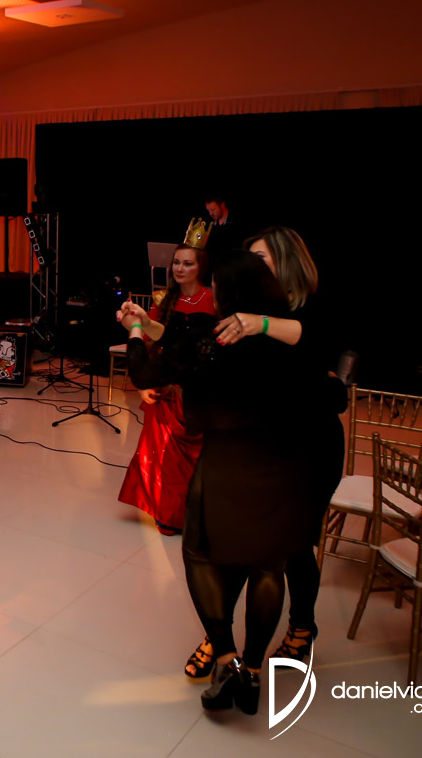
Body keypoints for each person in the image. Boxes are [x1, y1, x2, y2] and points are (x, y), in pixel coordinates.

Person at [122, 250, 338, 715]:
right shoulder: (293, 340)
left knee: (199, 555)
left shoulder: (210, 340)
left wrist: (135, 330)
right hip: (282, 467)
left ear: (228, 291)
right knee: (268, 567)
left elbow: (145, 371)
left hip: (225, 463)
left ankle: (225, 658)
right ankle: (253, 670)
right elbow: (331, 387)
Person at [211, 226, 343, 665]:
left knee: (293, 546)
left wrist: (261, 325)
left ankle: (301, 626)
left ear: (286, 260)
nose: (254, 265)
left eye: (262, 257)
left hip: (311, 451)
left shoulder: (311, 308)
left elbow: (315, 341)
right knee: (243, 544)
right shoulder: (249, 312)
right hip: (265, 448)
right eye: (250, 258)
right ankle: (220, 636)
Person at [117, 240, 215, 538]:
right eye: (177, 263)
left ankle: (198, 516)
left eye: (188, 263)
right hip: (167, 388)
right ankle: (169, 514)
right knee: (165, 460)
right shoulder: (164, 300)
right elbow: (149, 344)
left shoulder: (214, 300)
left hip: (200, 392)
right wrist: (145, 383)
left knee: (199, 461)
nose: (180, 268)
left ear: (201, 267)